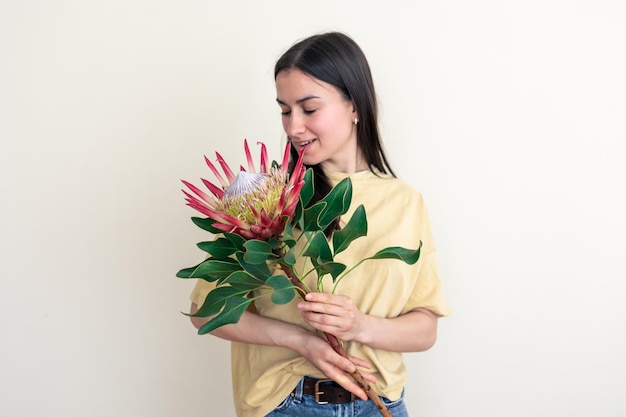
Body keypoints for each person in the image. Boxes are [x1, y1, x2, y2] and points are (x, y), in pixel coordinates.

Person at [189, 31, 450, 417]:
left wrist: (358, 325)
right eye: (284, 109)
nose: (293, 127)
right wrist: (301, 340)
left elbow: (425, 327)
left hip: (381, 403)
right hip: (288, 403)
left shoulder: (406, 202)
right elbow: (205, 311)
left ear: (355, 107)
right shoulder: (263, 199)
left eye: (309, 109)